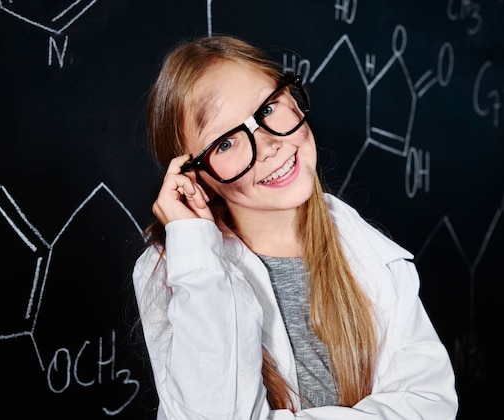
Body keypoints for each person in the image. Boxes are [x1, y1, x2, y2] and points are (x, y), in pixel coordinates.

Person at [132, 34, 458, 419]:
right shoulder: (177, 272)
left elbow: (429, 404)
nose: (268, 144)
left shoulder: (369, 252)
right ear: (195, 177)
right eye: (225, 143)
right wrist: (200, 265)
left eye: (268, 108)